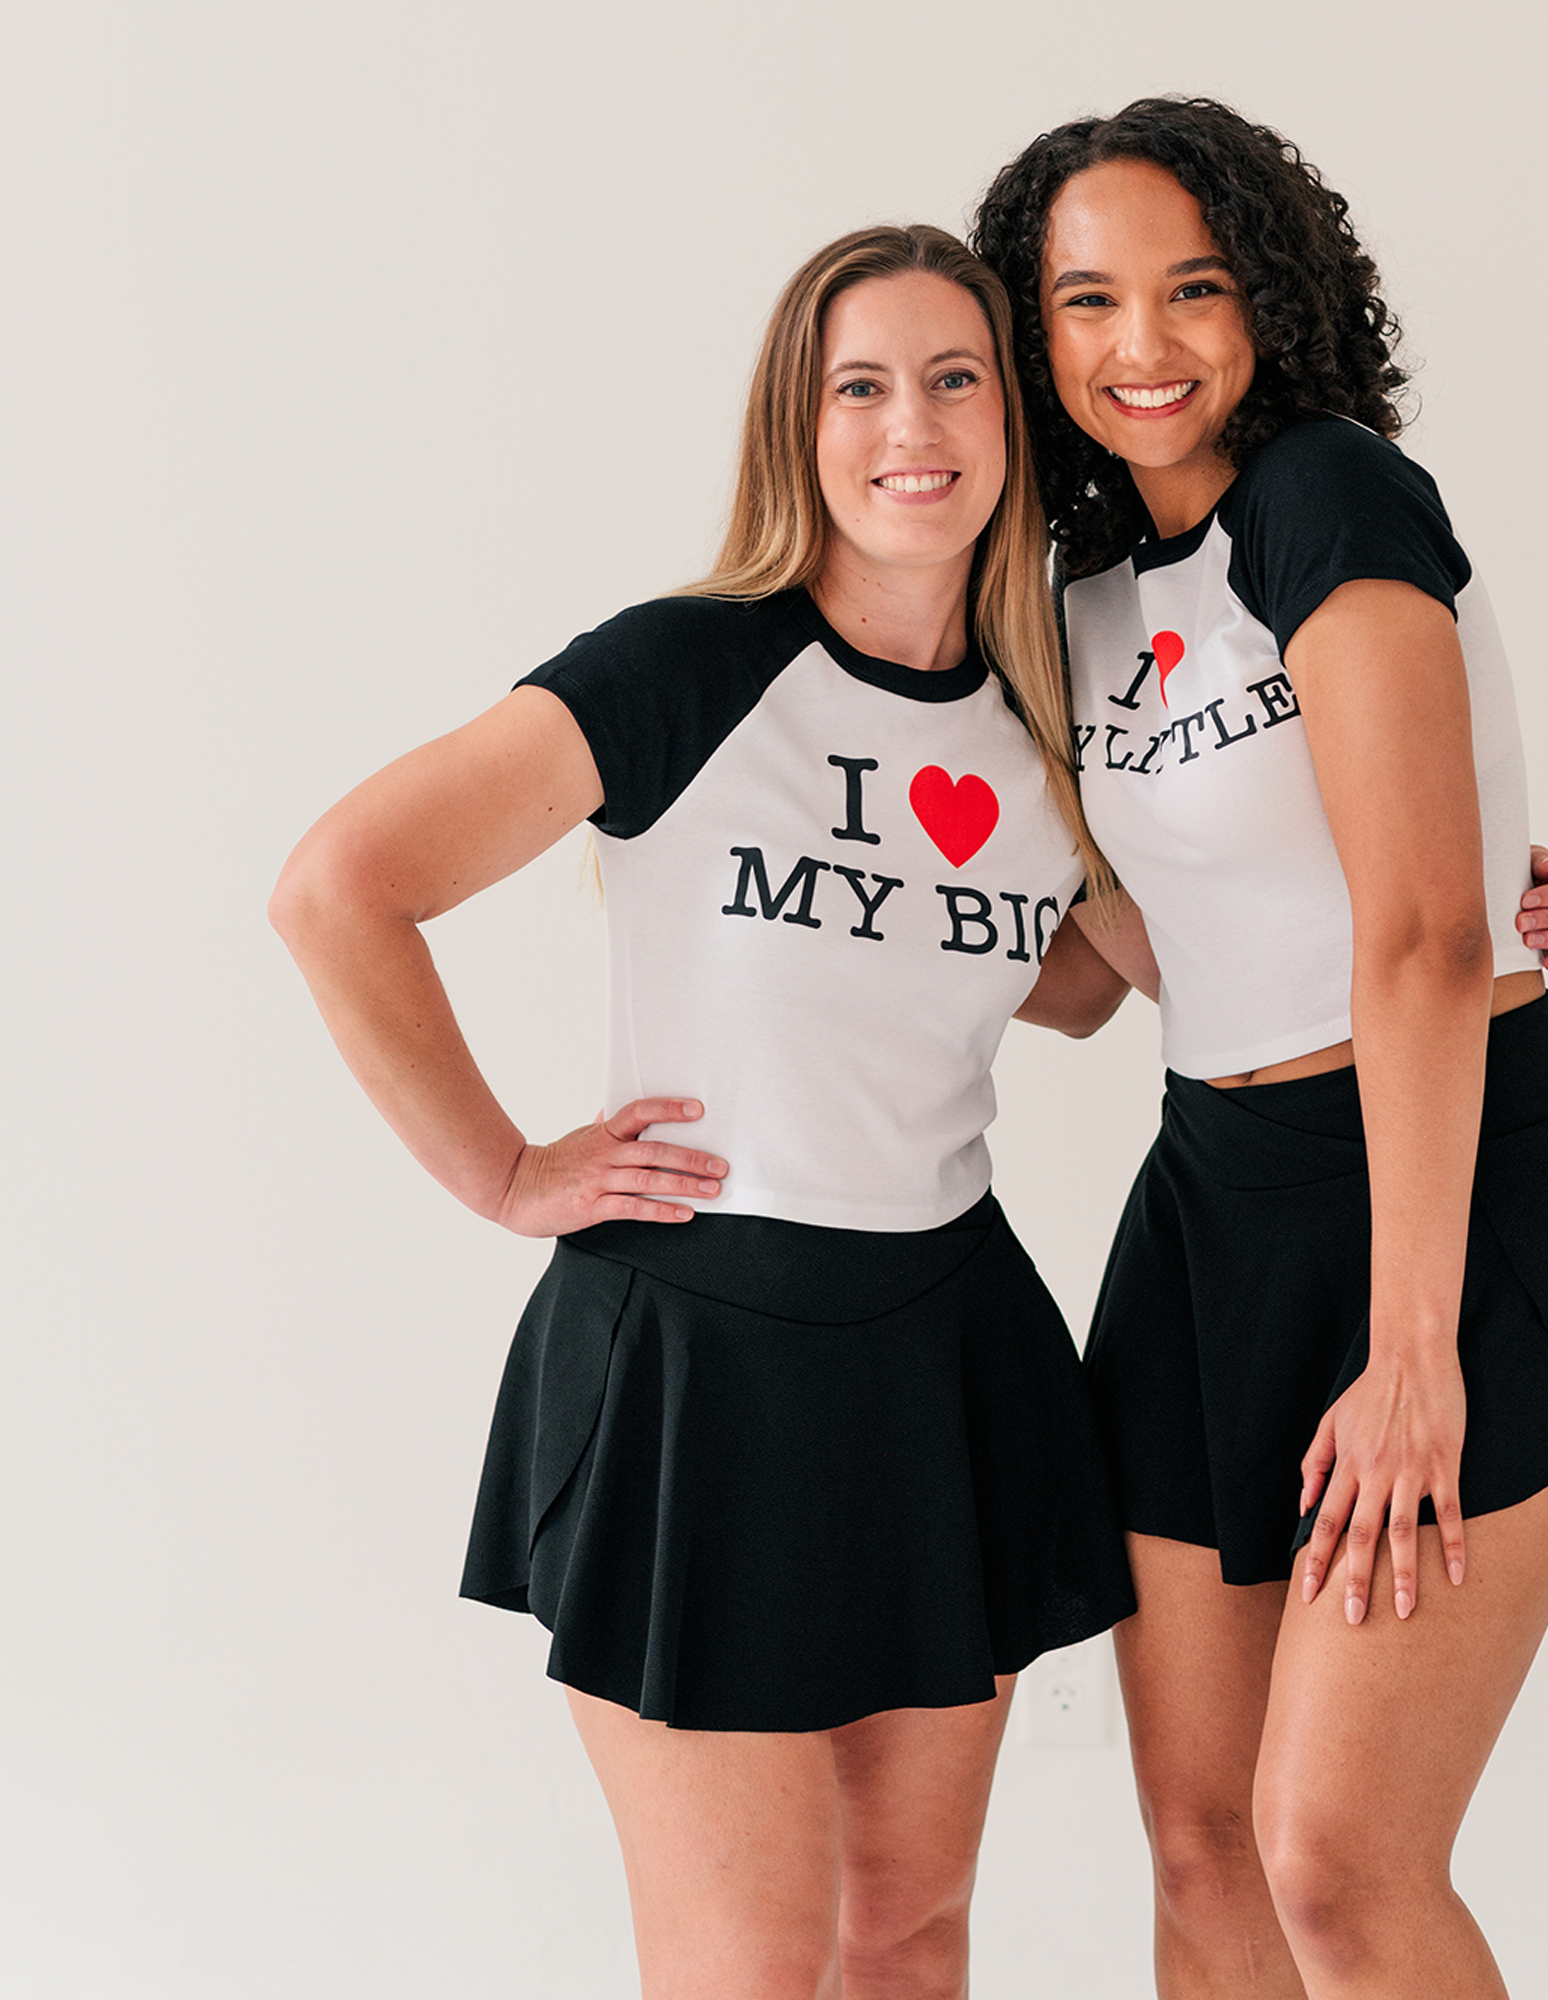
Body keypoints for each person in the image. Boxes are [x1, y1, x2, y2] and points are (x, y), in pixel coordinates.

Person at [268, 222, 1150, 2000]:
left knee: (904, 1938)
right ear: (798, 427)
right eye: (862, 384)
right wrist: (505, 1172)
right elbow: (339, 885)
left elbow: (1108, 969)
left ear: (1015, 420)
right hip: (700, 1356)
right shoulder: (690, 663)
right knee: (745, 1966)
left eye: (958, 375)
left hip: (944, 1350)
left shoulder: (1053, 714)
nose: (917, 423)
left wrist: (1491, 890)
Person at [972, 100, 1548, 2000]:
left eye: (1192, 287)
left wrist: (1414, 1358)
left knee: (1338, 1863)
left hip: (1454, 1203)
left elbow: (1416, 936)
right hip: (1212, 1216)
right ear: (1028, 336)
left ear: (1273, 298)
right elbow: (1134, 949)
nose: (1141, 345)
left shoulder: (1331, 493)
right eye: (1084, 302)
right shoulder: (1071, 598)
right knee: (1202, 1848)